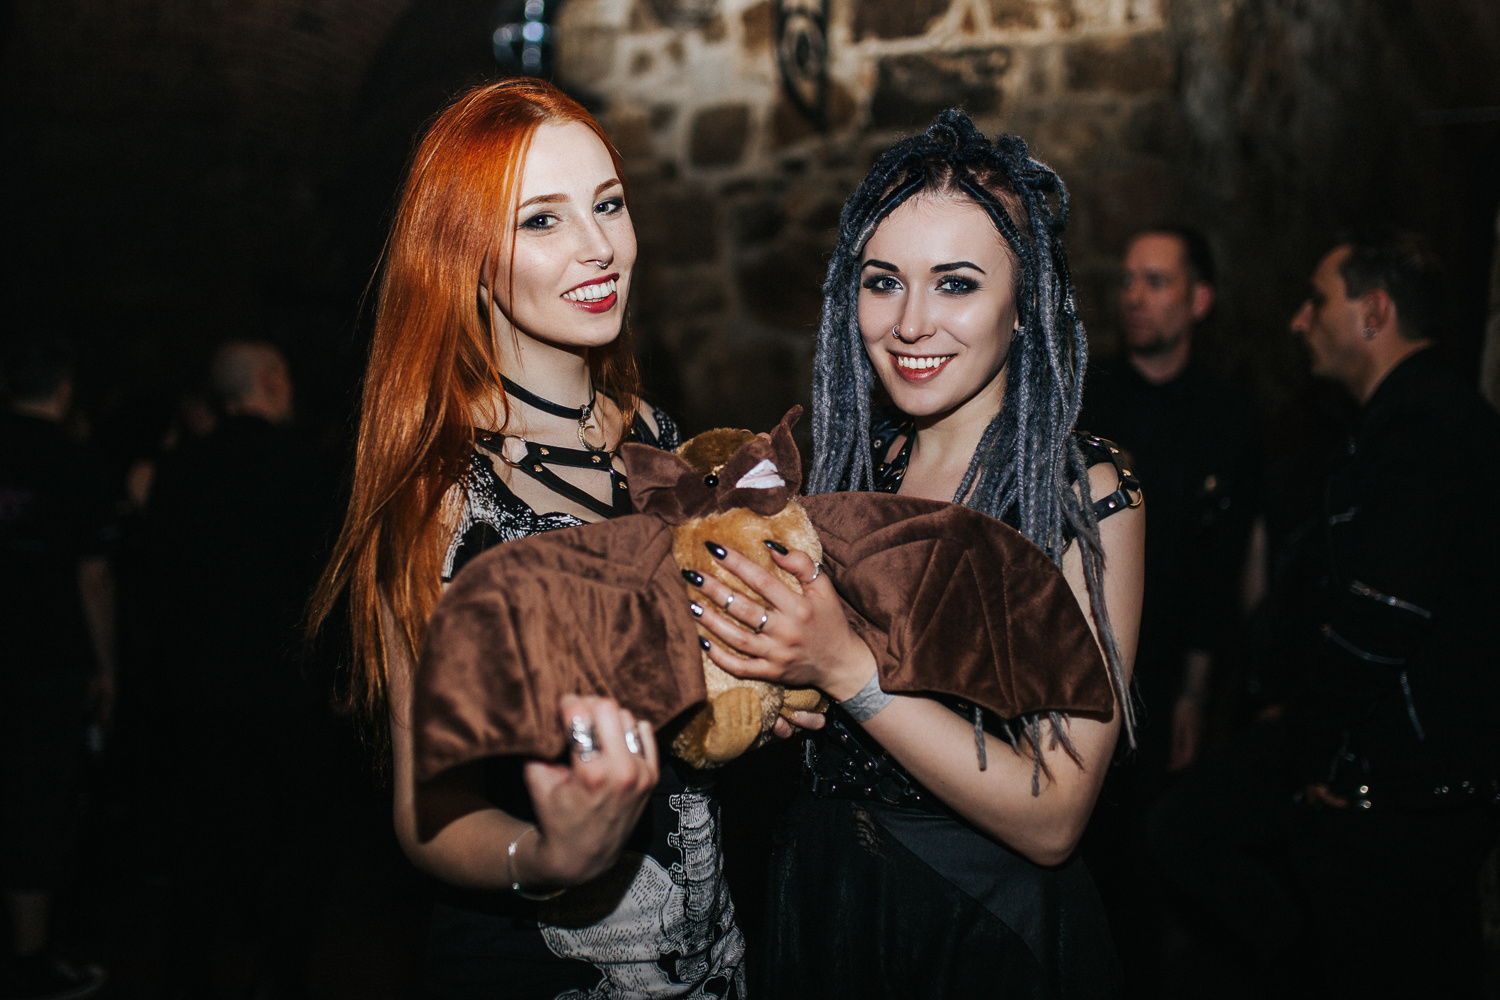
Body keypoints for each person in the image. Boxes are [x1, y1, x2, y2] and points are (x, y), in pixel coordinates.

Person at [308, 78, 751, 998]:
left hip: (713, 956)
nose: (599, 247)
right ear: (465, 257)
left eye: (608, 205)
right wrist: (550, 854)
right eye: (542, 220)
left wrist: (768, 685)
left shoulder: (657, 436)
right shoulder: (443, 496)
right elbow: (429, 812)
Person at [687, 110, 1144, 998]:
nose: (909, 322)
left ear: (1025, 305)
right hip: (825, 897)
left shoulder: (1079, 493)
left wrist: (844, 668)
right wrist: (772, 698)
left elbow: (1056, 815)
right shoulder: (848, 466)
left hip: (982, 927)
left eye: (956, 284)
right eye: (883, 282)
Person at [1148, 228, 1500, 997]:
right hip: (1399, 780)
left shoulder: (1424, 428)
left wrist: (1315, 745)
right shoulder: (1401, 423)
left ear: (1374, 312)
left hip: (1409, 795)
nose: (1298, 321)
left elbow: (1385, 617)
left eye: (1317, 300)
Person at [143, 340, 336, 997]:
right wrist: (339, 669)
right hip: (288, 685)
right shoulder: (306, 466)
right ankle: (280, 971)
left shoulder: (181, 468)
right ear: (271, 380)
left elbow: (155, 580)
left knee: (201, 829)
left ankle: (190, 969)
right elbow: (326, 581)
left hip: (197, 684)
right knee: (299, 831)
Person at [0, 337, 112, 999]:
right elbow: (92, 577)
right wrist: (107, 665)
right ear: (64, 389)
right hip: (48, 662)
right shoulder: (75, 463)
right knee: (37, 807)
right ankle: (32, 959)